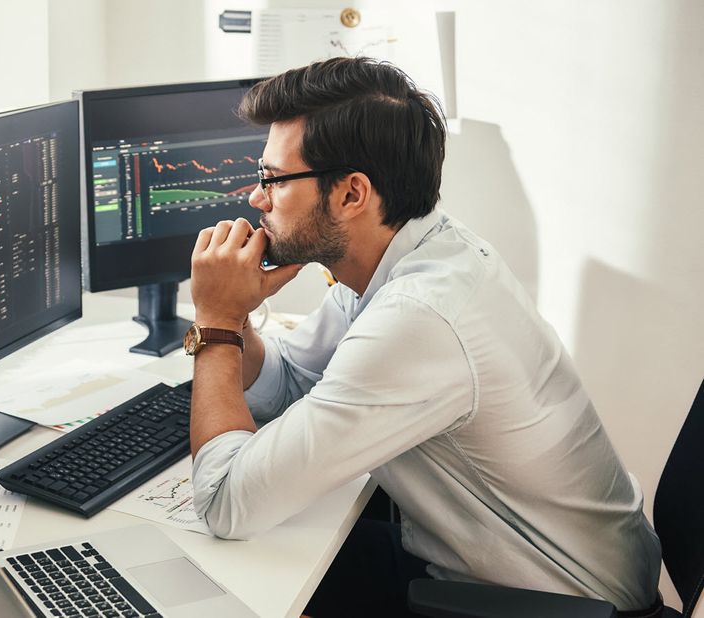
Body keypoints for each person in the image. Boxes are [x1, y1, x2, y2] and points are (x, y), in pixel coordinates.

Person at [185, 57, 662, 617]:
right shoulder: (405, 254)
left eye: (272, 179)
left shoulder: (419, 316)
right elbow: (292, 384)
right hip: (510, 574)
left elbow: (224, 502)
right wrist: (235, 313)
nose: (256, 199)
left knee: (225, 587)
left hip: (550, 605)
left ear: (351, 195)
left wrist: (215, 323)